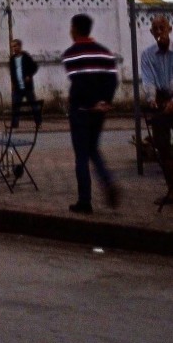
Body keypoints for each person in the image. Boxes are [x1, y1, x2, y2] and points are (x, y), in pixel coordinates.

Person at [62, 13, 119, 214]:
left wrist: (89, 103)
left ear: (75, 29)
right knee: (93, 148)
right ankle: (107, 180)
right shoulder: (105, 53)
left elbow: (79, 83)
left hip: (81, 110)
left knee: (81, 156)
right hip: (99, 111)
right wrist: (104, 102)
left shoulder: (71, 54)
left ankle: (84, 201)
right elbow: (112, 81)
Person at [140, 14, 173, 190]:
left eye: (163, 27)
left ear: (170, 29)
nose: (160, 32)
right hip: (160, 101)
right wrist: (151, 99)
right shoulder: (147, 55)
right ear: (152, 32)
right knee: (162, 147)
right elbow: (148, 80)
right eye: (156, 29)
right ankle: (171, 189)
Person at [8, 38, 42, 128]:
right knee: (16, 106)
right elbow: (12, 72)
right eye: (12, 47)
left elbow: (34, 67)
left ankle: (38, 122)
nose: (14, 48)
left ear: (20, 46)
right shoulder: (12, 59)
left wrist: (29, 76)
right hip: (17, 87)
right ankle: (14, 124)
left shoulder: (26, 56)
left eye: (15, 46)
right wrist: (13, 83)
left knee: (33, 105)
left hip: (27, 87)